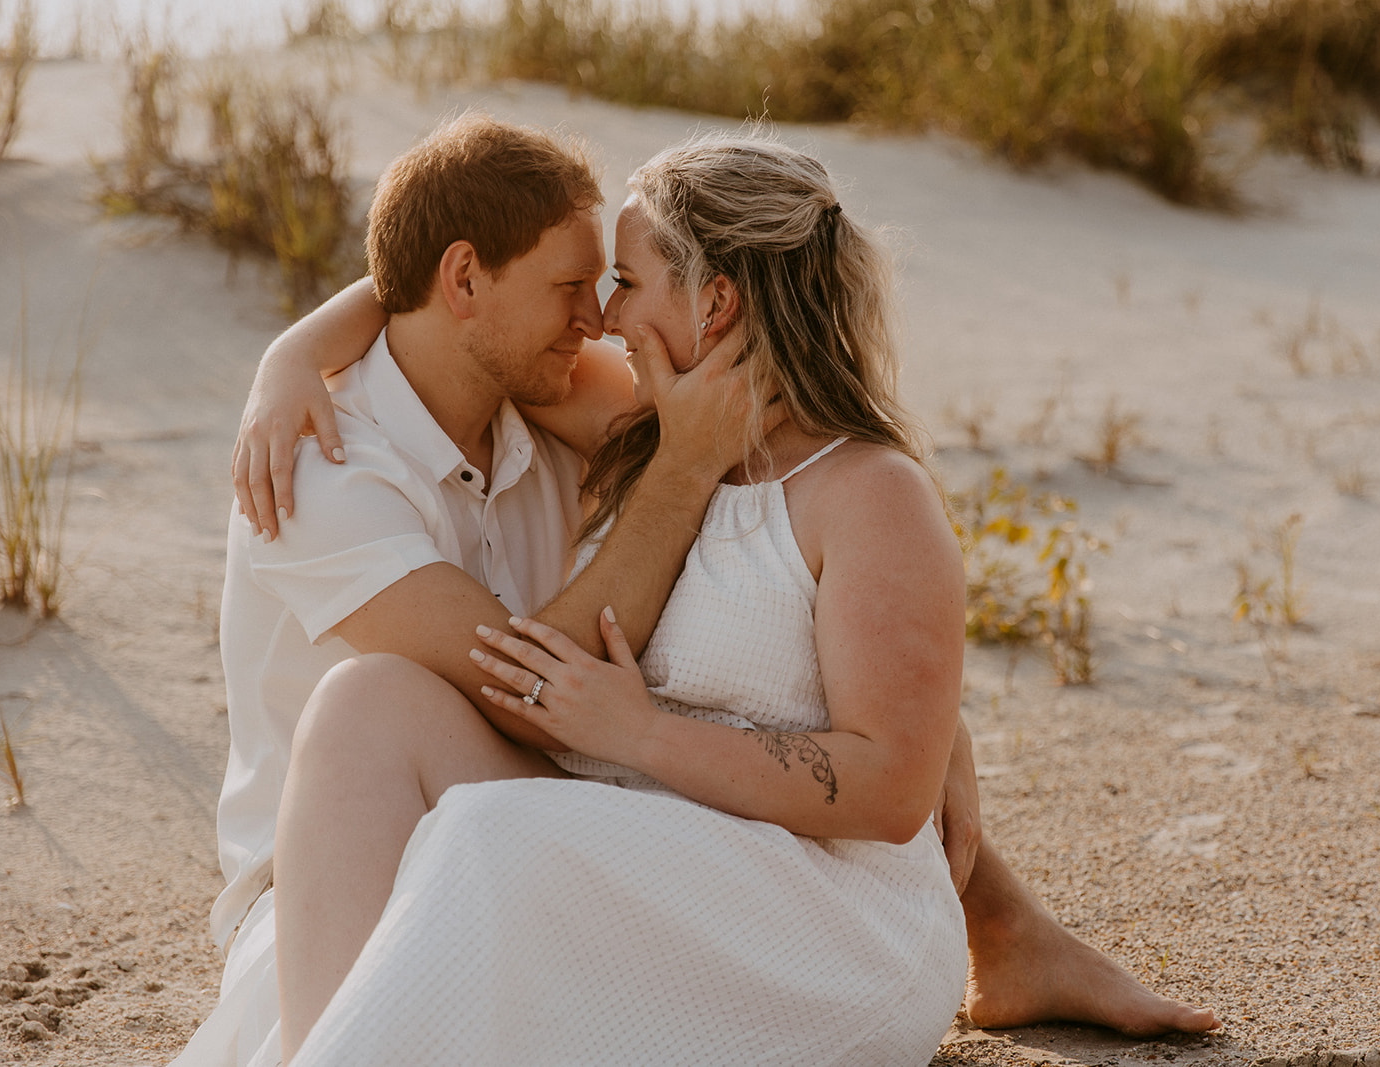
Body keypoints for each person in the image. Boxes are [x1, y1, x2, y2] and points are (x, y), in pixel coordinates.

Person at [211, 117, 1217, 1064]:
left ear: (717, 303)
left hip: (774, 894)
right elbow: (423, 281)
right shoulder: (621, 439)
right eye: (583, 284)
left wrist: (916, 716)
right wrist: (289, 352)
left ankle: (1005, 933)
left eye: (619, 279)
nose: (599, 314)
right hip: (547, 834)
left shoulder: (825, 479)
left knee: (483, 844)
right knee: (379, 722)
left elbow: (874, 770)